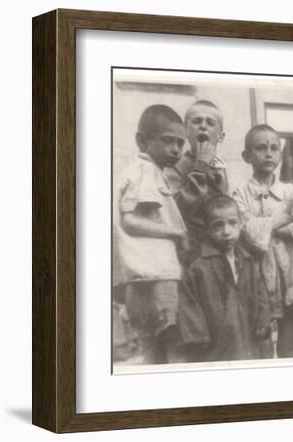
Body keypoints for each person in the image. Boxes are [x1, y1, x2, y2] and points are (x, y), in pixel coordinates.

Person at [113, 104, 188, 364]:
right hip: (158, 277)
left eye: (180, 143)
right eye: (168, 141)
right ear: (141, 141)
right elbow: (131, 221)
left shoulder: (138, 170)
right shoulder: (146, 170)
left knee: (152, 351)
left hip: (142, 278)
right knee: (174, 347)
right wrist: (177, 232)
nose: (176, 149)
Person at [232, 124, 293, 358]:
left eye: (274, 148)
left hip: (287, 270)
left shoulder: (291, 192)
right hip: (257, 271)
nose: (269, 153)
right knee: (260, 330)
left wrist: (273, 228)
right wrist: (283, 218)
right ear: (247, 156)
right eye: (261, 148)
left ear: (281, 155)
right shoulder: (239, 194)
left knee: (288, 330)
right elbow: (247, 231)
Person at [177, 195, 272, 362]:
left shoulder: (247, 260)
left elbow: (260, 292)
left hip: (246, 335)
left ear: (241, 224)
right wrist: (199, 338)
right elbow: (189, 304)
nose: (227, 232)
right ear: (207, 229)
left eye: (232, 223)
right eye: (217, 225)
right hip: (216, 343)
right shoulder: (199, 267)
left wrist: (263, 320)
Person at [165, 100, 229, 262]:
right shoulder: (176, 165)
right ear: (186, 131)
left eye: (210, 123)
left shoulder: (221, 168)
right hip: (193, 249)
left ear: (221, 136)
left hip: (220, 244)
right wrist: (200, 166)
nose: (203, 126)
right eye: (196, 121)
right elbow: (177, 209)